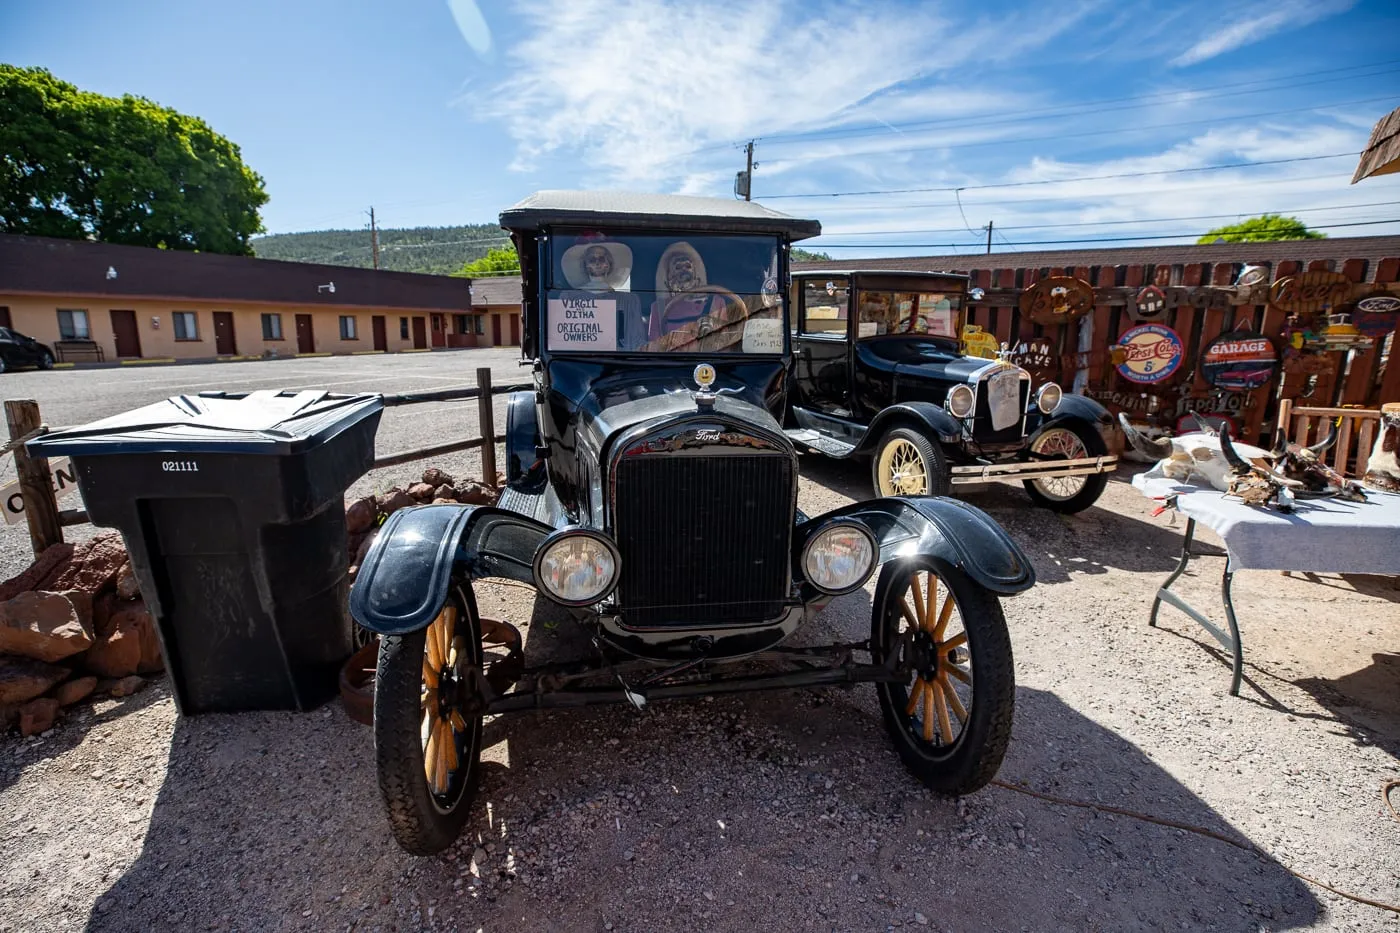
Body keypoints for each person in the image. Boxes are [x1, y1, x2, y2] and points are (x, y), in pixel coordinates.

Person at [559, 237, 645, 349]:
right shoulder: (569, 298)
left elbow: (636, 342)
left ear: (609, 264)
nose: (597, 263)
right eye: (592, 259)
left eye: (602, 259)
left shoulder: (629, 301)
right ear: (585, 264)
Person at [647, 241, 736, 343]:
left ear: (695, 273)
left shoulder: (716, 302)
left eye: (687, 266)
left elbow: (724, 343)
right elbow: (654, 348)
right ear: (669, 276)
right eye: (678, 267)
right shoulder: (659, 308)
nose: (684, 271)